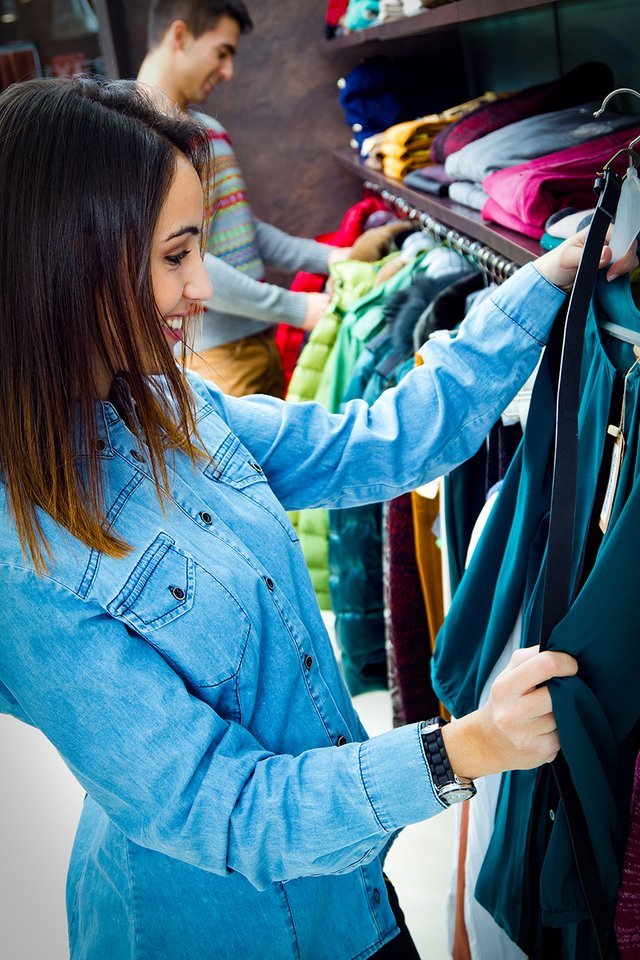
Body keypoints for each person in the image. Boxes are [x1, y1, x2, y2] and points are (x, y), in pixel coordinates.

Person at [0, 77, 635, 960]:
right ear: (68, 265)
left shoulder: (173, 409)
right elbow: (215, 807)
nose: (201, 290)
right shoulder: (22, 556)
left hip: (349, 900)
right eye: (176, 255)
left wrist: (544, 281)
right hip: (215, 932)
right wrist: (462, 751)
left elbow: (384, 443)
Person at [137, 0, 404, 398]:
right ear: (180, 35)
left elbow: (243, 231)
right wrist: (296, 309)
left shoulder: (207, 130)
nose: (228, 72)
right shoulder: (133, 140)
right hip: (214, 360)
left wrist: (334, 258)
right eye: (222, 52)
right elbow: (180, 258)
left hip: (257, 345)